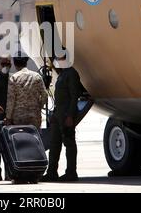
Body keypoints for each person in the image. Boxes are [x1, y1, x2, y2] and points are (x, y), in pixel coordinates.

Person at [42, 51, 82, 182]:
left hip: (66, 115)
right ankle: (52, 172)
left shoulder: (71, 74)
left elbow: (74, 96)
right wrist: (54, 114)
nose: (57, 60)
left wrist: (70, 115)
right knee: (54, 144)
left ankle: (71, 172)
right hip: (59, 115)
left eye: (60, 58)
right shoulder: (62, 74)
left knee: (69, 143)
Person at [5, 56, 48, 130]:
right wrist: (38, 106)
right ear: (26, 63)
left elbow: (11, 100)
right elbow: (45, 95)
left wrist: (8, 118)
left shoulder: (14, 78)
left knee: (21, 139)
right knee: (34, 139)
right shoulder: (37, 76)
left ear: (15, 64)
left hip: (19, 118)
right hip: (34, 117)